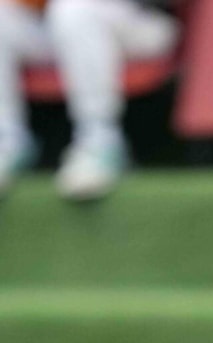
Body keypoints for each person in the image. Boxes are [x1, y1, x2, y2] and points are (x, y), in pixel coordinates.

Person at [0, 0, 180, 200]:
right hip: (55, 22)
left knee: (75, 9)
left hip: (143, 22)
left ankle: (100, 143)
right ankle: (8, 142)